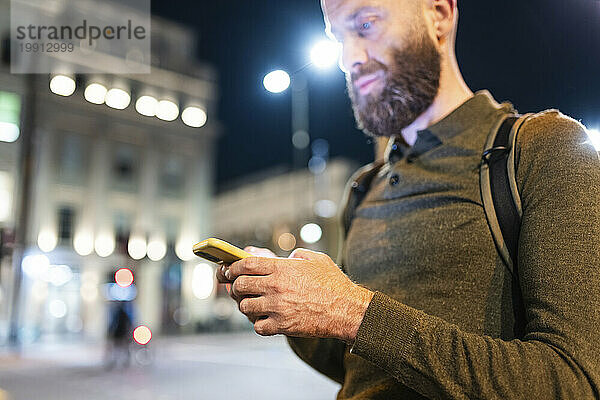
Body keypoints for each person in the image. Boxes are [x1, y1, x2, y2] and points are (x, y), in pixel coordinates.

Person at [216, 0, 600, 398]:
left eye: (365, 24)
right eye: (338, 38)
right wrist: (288, 301)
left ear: (439, 14)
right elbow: (362, 366)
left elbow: (573, 382)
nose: (349, 59)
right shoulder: (365, 188)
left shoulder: (544, 149)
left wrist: (350, 310)